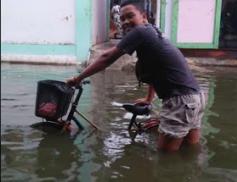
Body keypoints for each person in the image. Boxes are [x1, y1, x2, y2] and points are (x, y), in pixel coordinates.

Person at [67, 0, 205, 153]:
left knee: (166, 158)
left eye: (130, 16)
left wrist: (78, 79)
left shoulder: (141, 32)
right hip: (195, 97)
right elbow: (155, 70)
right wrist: (148, 98)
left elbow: (106, 58)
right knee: (190, 150)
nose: (125, 22)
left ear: (143, 16)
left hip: (179, 101)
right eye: (122, 19)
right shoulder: (152, 32)